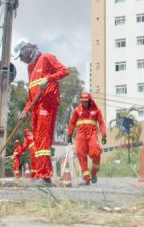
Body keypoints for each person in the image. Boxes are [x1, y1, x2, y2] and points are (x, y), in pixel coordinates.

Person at [14, 38, 69, 185]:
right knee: (37, 143)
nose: (21, 60)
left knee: (44, 140)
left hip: (47, 104)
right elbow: (31, 95)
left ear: (27, 50)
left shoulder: (46, 58)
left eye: (21, 56)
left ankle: (45, 176)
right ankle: (39, 173)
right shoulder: (30, 69)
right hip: (36, 108)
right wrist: (26, 110)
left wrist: (49, 79)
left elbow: (64, 71)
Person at [66, 92, 106, 185]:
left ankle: (94, 172)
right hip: (81, 135)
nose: (84, 103)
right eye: (82, 101)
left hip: (92, 135)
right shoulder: (77, 110)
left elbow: (101, 123)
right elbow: (72, 123)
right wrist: (69, 135)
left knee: (96, 153)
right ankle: (86, 179)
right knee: (80, 154)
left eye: (86, 101)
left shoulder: (96, 110)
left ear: (90, 100)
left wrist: (104, 135)